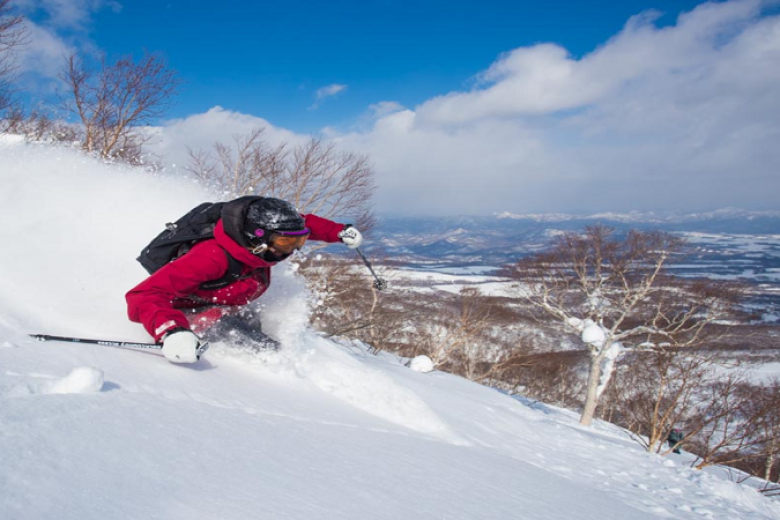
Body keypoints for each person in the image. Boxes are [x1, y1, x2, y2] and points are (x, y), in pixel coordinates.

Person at [126, 196, 363, 363]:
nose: (291, 250)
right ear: (256, 237)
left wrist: (338, 232)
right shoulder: (211, 257)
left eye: (298, 242)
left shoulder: (260, 241)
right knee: (263, 349)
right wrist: (172, 331)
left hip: (230, 304)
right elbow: (145, 295)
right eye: (285, 243)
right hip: (197, 311)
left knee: (257, 329)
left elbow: (303, 224)